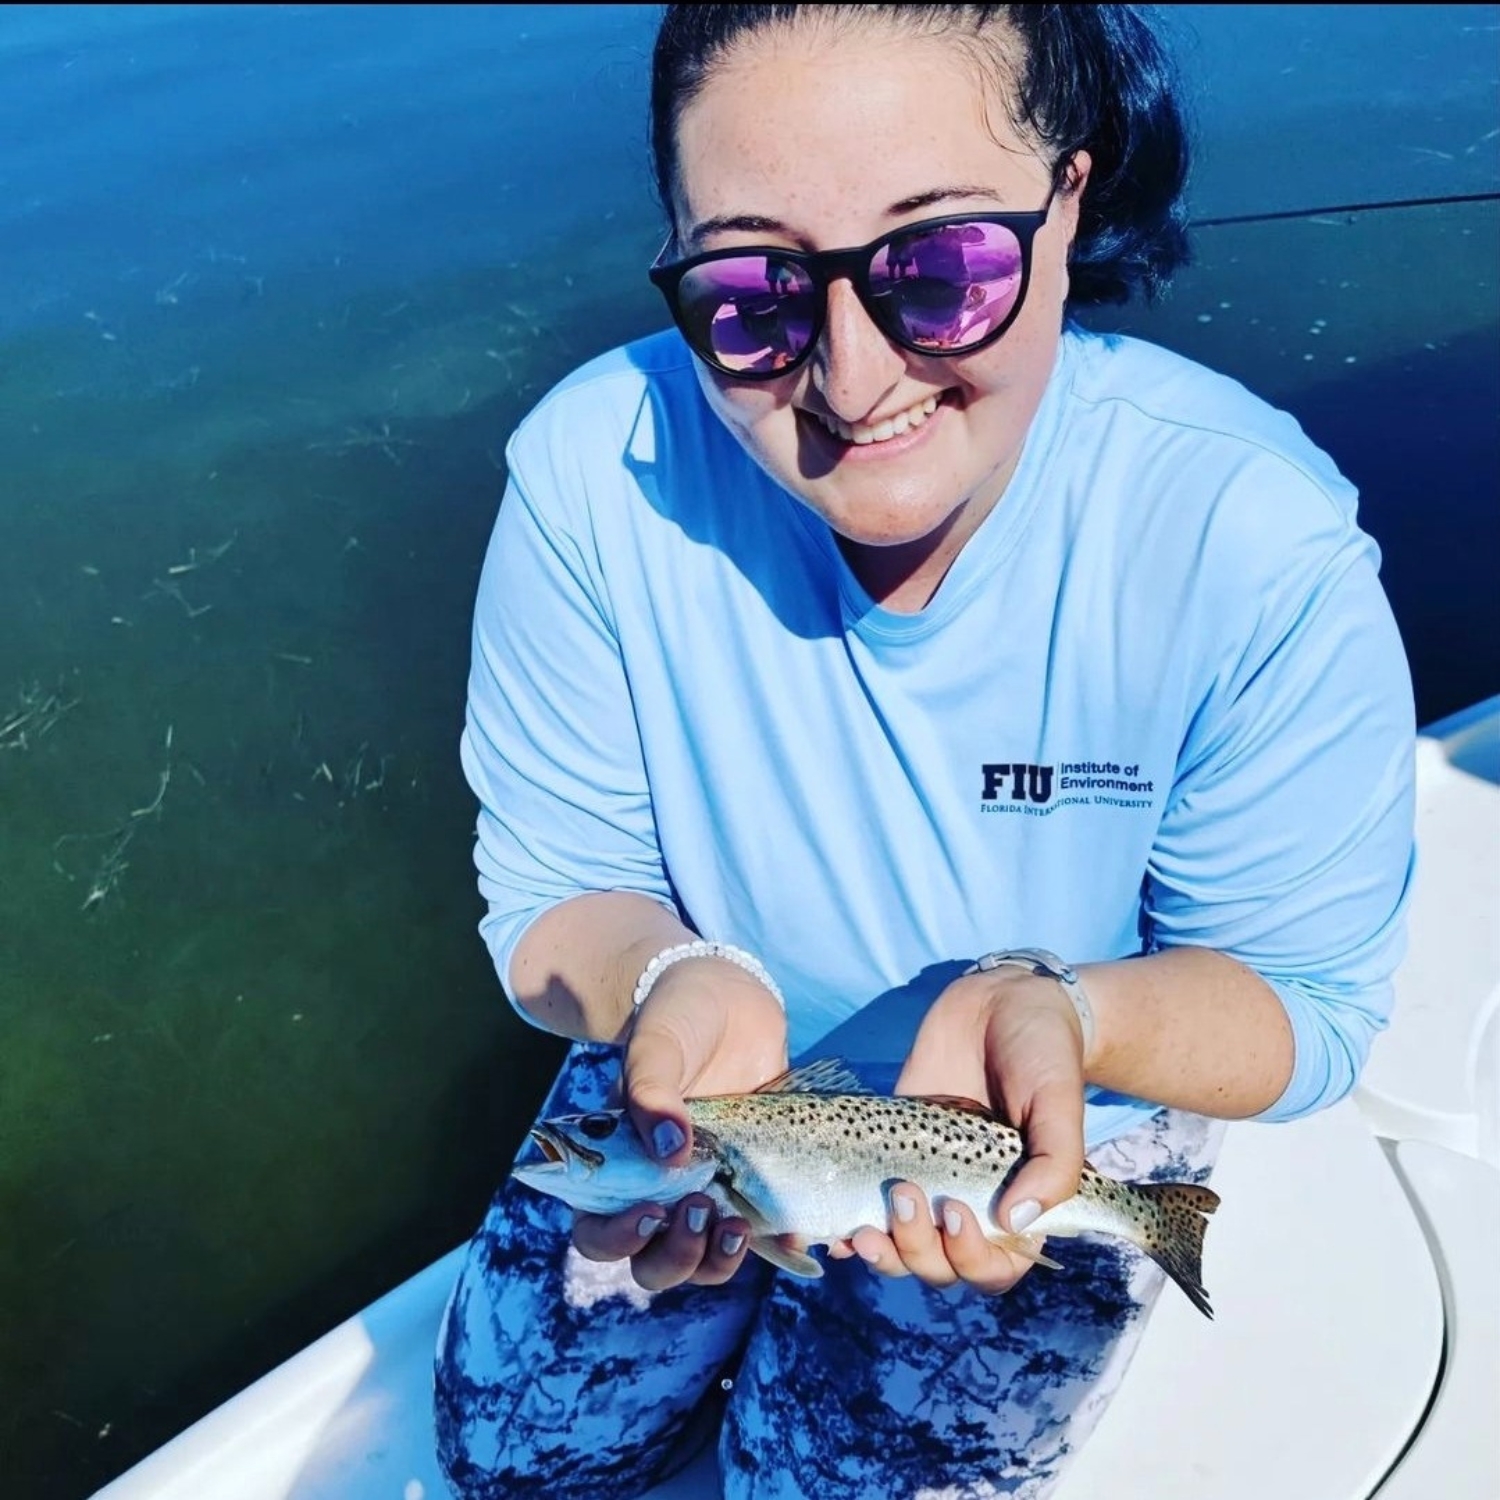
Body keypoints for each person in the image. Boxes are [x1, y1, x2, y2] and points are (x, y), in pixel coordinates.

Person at [434, 5, 1415, 1497]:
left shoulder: (1249, 548)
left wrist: (1072, 1022)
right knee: (505, 1458)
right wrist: (665, 982)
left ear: (1070, 198)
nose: (850, 374)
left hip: (1050, 1107)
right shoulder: (591, 474)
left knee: (798, 1481)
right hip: (693, 1080)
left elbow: (1306, 1003)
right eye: (754, 292)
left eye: (940, 265)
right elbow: (557, 887)